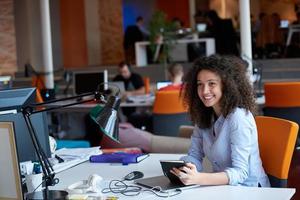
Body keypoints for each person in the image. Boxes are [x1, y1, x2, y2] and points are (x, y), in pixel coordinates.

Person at [171, 55, 270, 187]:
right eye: (200, 84)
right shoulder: (204, 115)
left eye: (212, 83)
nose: (204, 91)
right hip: (222, 188)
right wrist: (186, 169)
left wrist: (199, 178)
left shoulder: (238, 117)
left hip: (249, 189)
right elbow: (194, 154)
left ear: (226, 85)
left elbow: (241, 173)